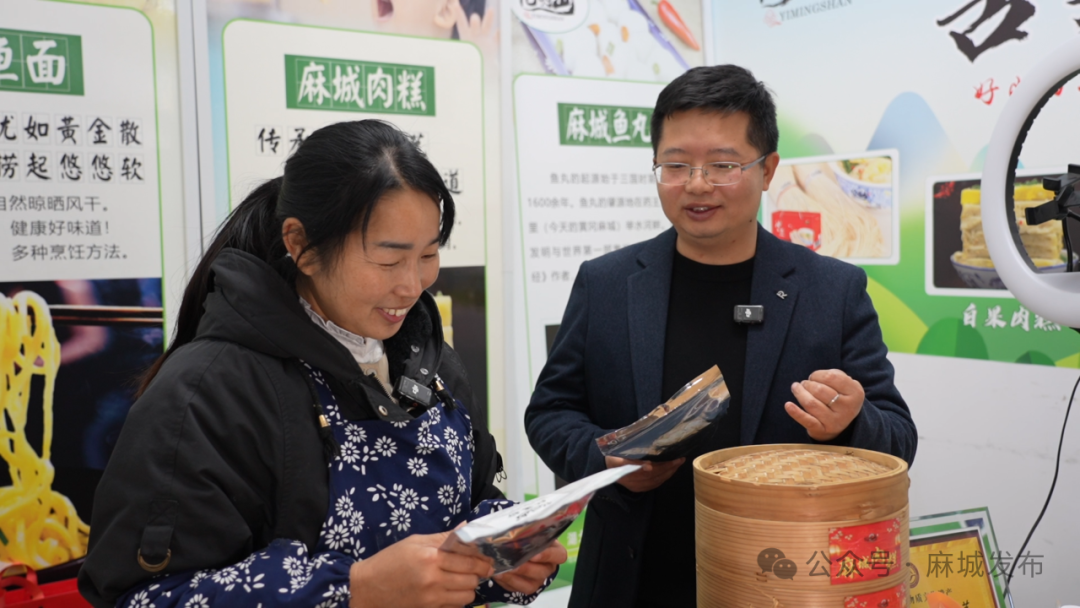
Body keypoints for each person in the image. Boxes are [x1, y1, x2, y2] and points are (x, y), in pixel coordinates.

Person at [79, 120, 565, 608]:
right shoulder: (207, 391)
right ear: (301, 246)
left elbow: (473, 502)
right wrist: (355, 589)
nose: (412, 286)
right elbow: (142, 597)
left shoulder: (431, 363)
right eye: (389, 260)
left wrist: (501, 555)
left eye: (429, 255)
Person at [524, 65, 917, 608]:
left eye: (723, 165)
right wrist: (602, 461)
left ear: (767, 169)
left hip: (781, 586)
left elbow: (898, 439)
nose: (697, 184)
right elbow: (550, 412)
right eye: (676, 164)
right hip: (629, 581)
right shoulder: (607, 283)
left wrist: (852, 421)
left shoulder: (832, 290)